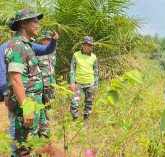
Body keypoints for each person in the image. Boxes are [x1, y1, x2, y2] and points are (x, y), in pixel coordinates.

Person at [0, 18, 58, 156]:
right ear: (23, 24)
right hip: (25, 105)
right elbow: (14, 79)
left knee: (42, 142)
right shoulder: (16, 47)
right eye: (34, 22)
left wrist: (54, 40)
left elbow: (46, 50)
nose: (38, 25)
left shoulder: (28, 45)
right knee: (25, 147)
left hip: (36, 103)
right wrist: (26, 108)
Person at [69, 36, 99, 124]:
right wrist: (72, 82)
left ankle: (86, 119)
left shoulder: (93, 57)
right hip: (78, 83)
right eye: (88, 45)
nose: (90, 47)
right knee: (74, 102)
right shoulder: (76, 55)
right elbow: (72, 69)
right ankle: (74, 119)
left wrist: (96, 85)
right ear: (83, 45)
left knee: (89, 102)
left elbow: (96, 71)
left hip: (90, 83)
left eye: (91, 45)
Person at [37, 31, 56, 109]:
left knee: (50, 106)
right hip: (41, 84)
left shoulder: (53, 51)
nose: (49, 41)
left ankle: (49, 121)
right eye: (47, 39)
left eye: (50, 39)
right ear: (42, 40)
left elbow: (53, 66)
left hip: (51, 83)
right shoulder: (37, 51)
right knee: (40, 105)